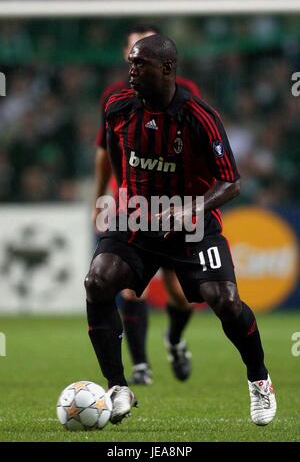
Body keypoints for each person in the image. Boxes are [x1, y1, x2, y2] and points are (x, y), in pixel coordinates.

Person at [85, 34, 277, 426]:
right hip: (137, 219)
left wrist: (191, 208)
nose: (131, 70)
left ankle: (259, 378)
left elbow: (231, 182)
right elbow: (118, 158)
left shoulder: (199, 116)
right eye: (130, 63)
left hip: (193, 227)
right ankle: (118, 385)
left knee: (224, 300)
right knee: (97, 281)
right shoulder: (117, 107)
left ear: (168, 69)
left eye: (140, 64)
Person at [93, 24, 202, 386]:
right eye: (132, 52)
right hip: (134, 206)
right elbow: (104, 152)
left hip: (174, 209)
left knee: (179, 294)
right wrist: (103, 195)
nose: (136, 60)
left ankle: (174, 340)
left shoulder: (188, 97)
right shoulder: (116, 99)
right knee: (125, 285)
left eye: (143, 52)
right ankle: (139, 366)